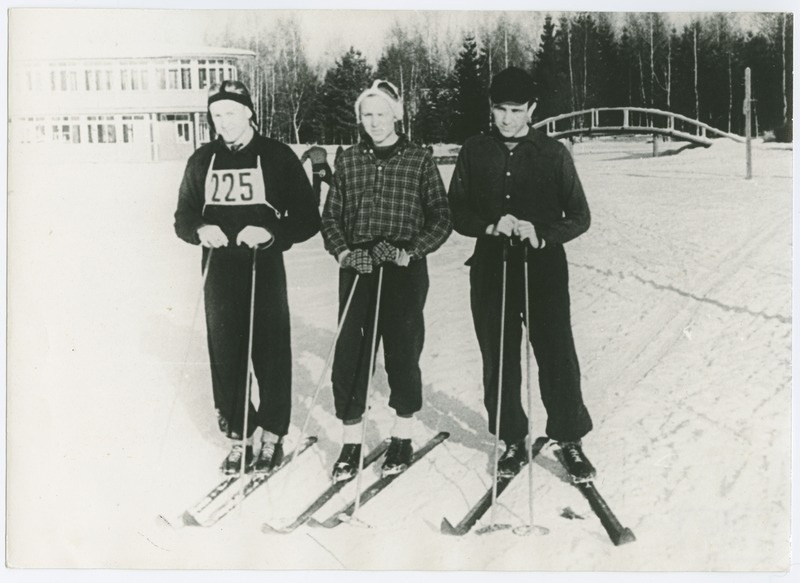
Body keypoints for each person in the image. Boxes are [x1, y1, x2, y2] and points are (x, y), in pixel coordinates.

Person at [448, 67, 595, 482]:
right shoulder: (475, 150)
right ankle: (512, 438)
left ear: (532, 109)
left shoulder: (553, 153)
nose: (507, 119)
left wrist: (542, 232)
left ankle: (569, 437)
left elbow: (580, 217)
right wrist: (491, 225)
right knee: (498, 356)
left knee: (556, 353)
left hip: (543, 267)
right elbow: (457, 210)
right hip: (492, 268)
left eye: (516, 110)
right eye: (500, 109)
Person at [174, 80, 320, 474]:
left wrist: (272, 233)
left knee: (270, 352)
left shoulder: (275, 156)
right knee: (226, 356)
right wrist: (200, 230)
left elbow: (308, 218)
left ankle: (272, 435)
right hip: (219, 273)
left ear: (249, 113)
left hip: (263, 267)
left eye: (231, 113)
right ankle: (240, 436)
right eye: (217, 115)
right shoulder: (201, 160)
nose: (224, 122)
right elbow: (184, 216)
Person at [321, 79, 452, 481]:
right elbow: (330, 218)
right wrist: (345, 251)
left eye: (381, 114)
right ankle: (351, 441)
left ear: (397, 114)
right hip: (358, 265)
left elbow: (442, 217)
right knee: (352, 356)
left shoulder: (418, 159)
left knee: (402, 351)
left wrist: (410, 250)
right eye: (367, 114)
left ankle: (402, 435)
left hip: (402, 267)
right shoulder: (348, 160)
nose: (374, 122)